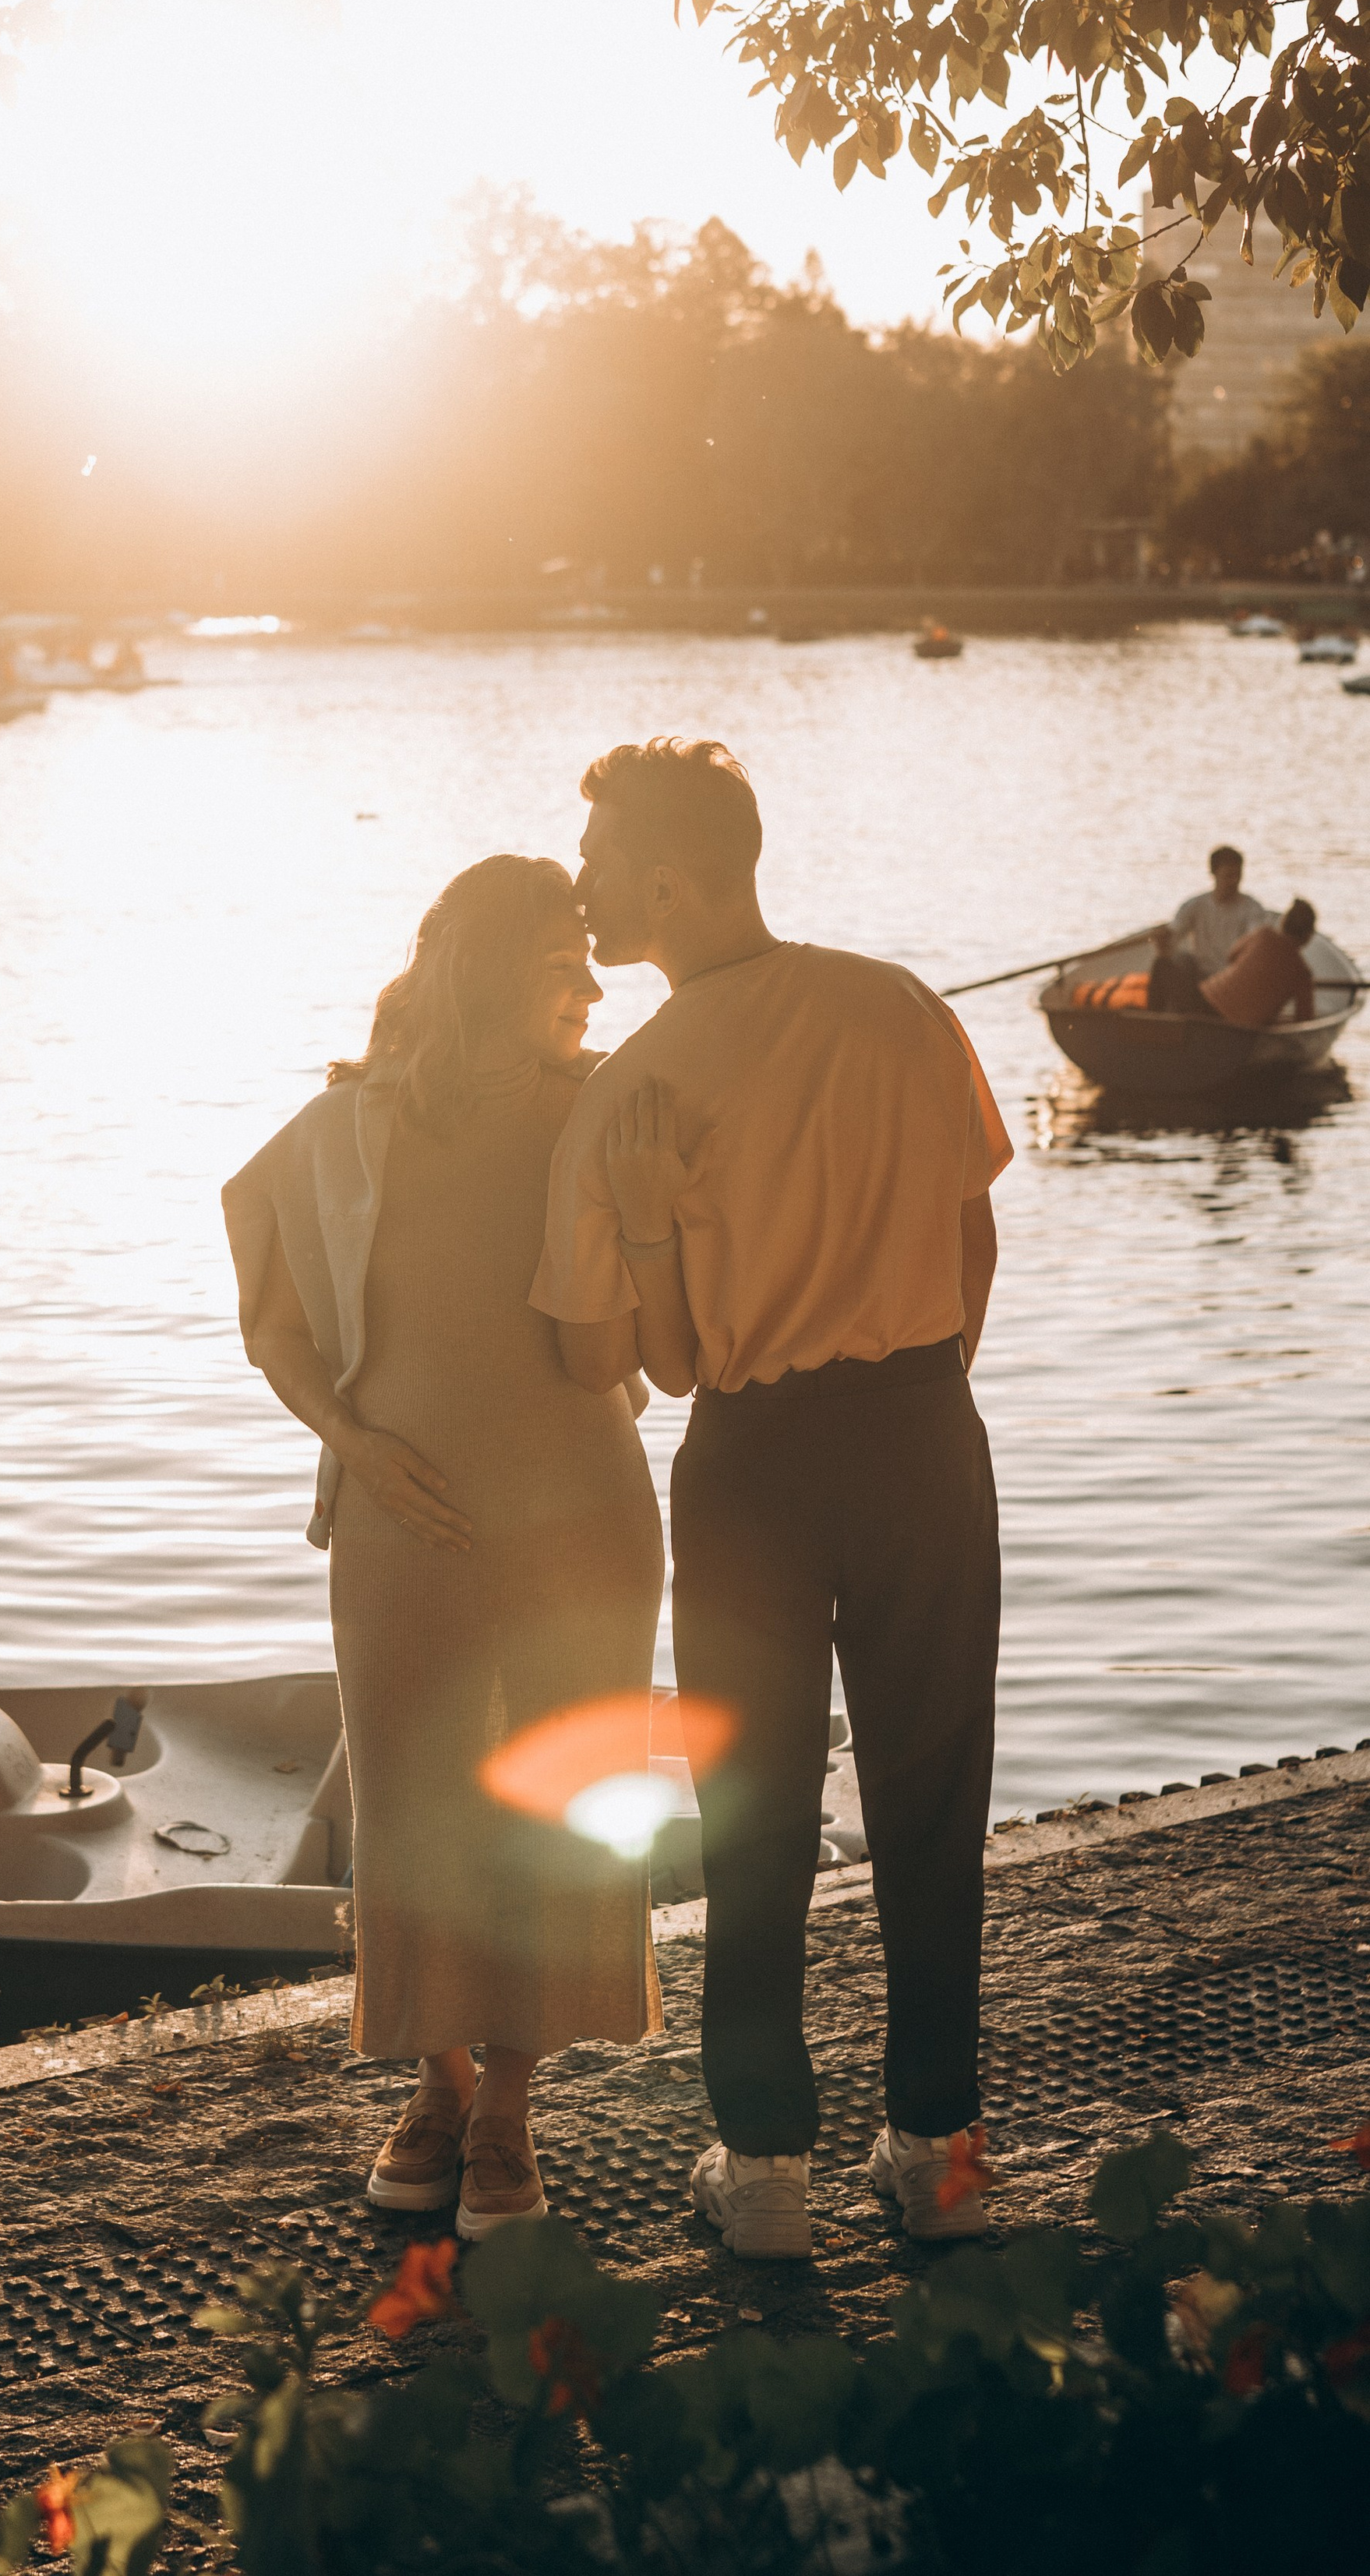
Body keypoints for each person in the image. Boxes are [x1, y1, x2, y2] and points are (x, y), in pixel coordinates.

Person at [530, 739, 1011, 2260]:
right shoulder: (902, 1007)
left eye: (600, 855)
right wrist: (913, 1393)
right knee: (931, 1797)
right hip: (923, 1431)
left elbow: (633, 1361)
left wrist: (654, 1238)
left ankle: (764, 2173)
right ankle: (936, 2153)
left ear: (670, 881)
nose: (583, 881)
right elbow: (973, 1239)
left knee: (751, 1818)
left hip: (750, 1462)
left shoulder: (630, 1091)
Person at [224, 857, 666, 2240]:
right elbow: (273, 1326)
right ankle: (439, 2080)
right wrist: (352, 1444)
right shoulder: (341, 1130)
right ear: (488, 972)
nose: (592, 989)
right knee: (414, 1801)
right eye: (563, 964)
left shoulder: (602, 1109)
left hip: (583, 1513)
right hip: (398, 1515)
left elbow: (661, 1306)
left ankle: (509, 2106)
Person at [1147, 846, 1273, 1010]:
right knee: (1163, 964)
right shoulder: (1195, 906)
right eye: (1229, 876)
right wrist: (1161, 938)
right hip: (1200, 979)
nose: (1234, 881)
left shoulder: (1252, 909)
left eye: (1238, 875)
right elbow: (1171, 941)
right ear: (1213, 873)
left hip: (1232, 982)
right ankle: (1155, 1019)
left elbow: (1256, 945)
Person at [1199, 899, 1319, 1028]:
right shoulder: (1303, 973)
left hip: (1204, 1000)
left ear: (1283, 922)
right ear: (1308, 936)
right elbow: (1304, 1020)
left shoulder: (1264, 934)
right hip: (1236, 1029)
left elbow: (1232, 955)